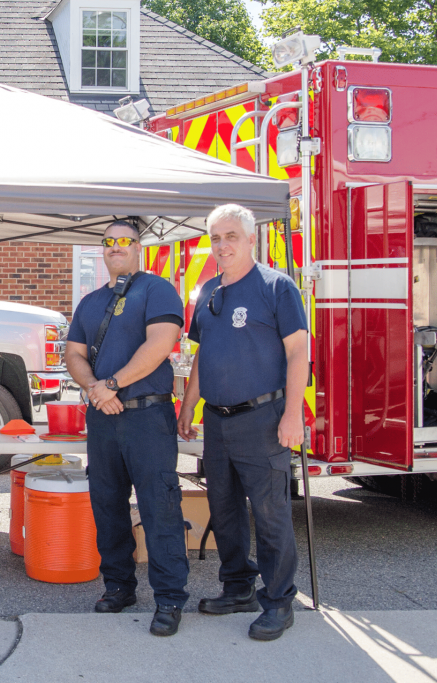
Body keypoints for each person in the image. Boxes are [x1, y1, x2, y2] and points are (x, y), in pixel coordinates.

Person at [177, 203, 308, 642]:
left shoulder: (276, 287)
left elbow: (297, 353)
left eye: (231, 236)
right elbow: (202, 356)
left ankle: (278, 601)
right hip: (217, 421)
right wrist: (188, 406)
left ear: (252, 239)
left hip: (264, 419)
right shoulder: (210, 292)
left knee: (271, 516)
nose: (222, 245)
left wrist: (293, 414)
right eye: (215, 237)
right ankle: (238, 588)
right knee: (226, 511)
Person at [66, 219, 189, 637]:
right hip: (102, 418)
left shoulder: (157, 290)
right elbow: (74, 354)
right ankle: (118, 586)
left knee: (160, 506)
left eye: (124, 241)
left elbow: (159, 345)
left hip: (147, 417)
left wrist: (110, 385)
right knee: (107, 505)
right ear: (103, 249)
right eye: (108, 242)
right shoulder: (89, 302)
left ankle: (170, 598)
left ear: (139, 247)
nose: (116, 247)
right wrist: (94, 389)